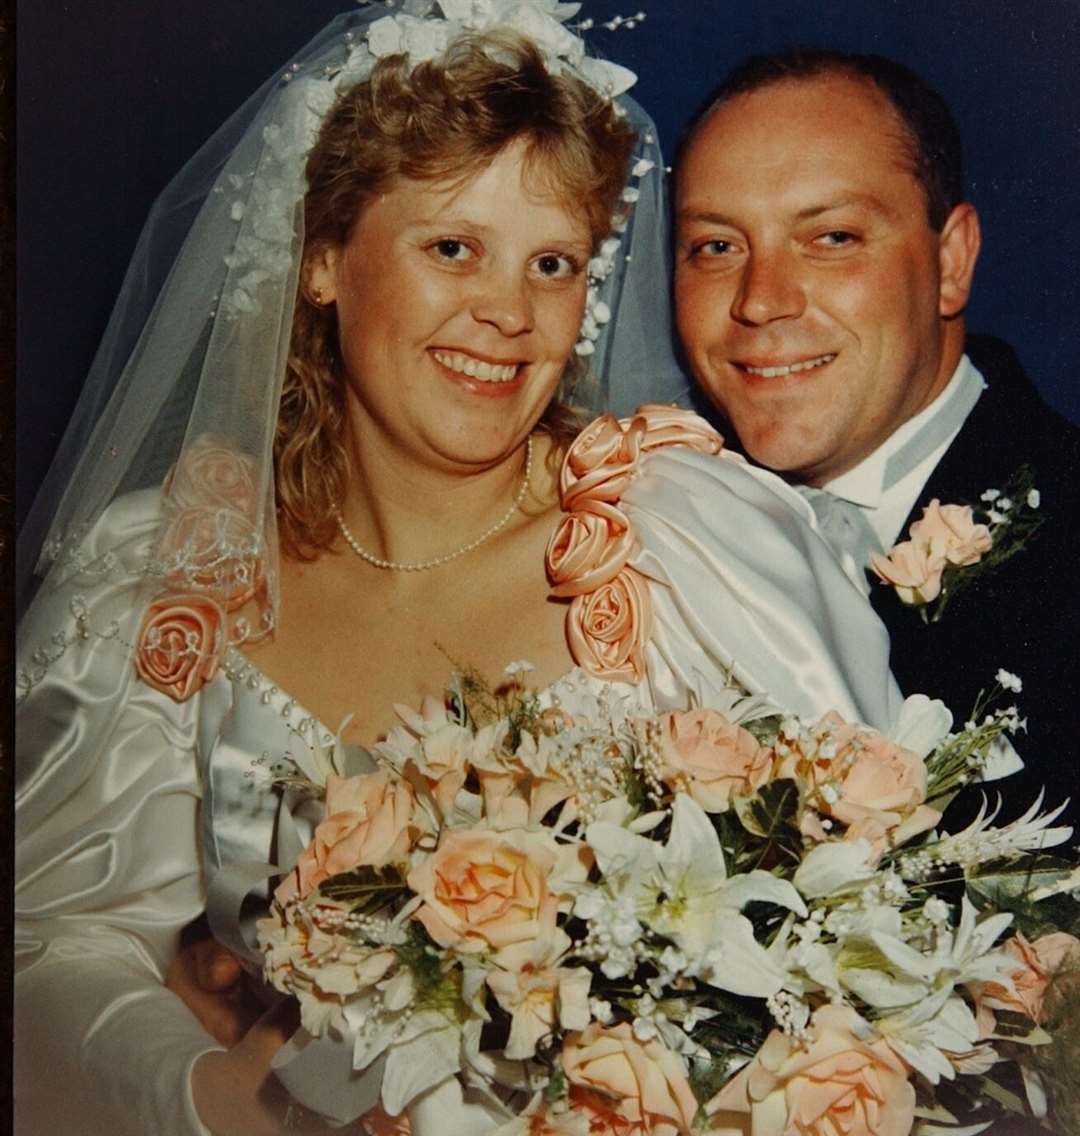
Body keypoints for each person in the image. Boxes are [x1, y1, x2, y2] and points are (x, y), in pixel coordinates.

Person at [15, 8, 899, 1135]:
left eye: (553, 262)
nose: (511, 313)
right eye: (451, 248)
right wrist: (223, 1097)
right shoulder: (175, 568)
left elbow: (870, 934)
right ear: (326, 258)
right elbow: (50, 940)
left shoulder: (688, 546)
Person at [674, 48, 1080, 829]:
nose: (759, 303)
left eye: (831, 238)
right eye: (717, 247)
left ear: (950, 262)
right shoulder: (660, 534)